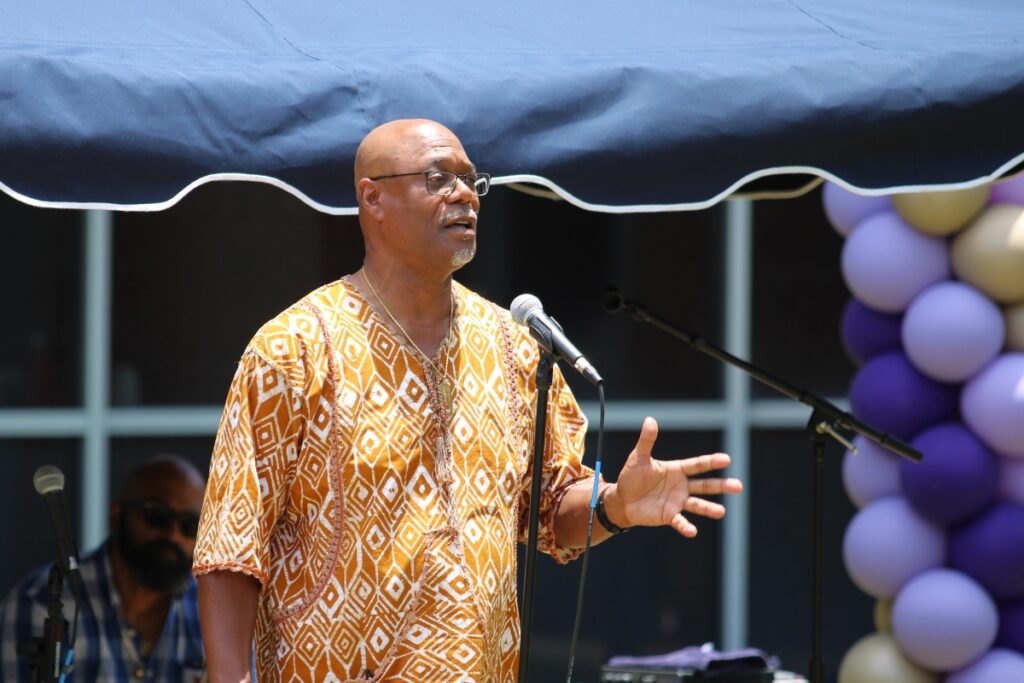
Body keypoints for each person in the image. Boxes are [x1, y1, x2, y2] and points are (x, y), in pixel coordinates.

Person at [193, 118, 744, 683]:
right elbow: (231, 551)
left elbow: (551, 509)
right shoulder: (293, 349)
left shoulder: (511, 345)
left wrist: (616, 506)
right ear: (372, 197)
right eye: (437, 178)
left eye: (470, 180)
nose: (463, 195)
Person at [0, 456, 207, 682]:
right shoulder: (42, 601)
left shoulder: (213, 611)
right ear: (116, 515)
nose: (173, 535)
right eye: (157, 516)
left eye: (190, 524)